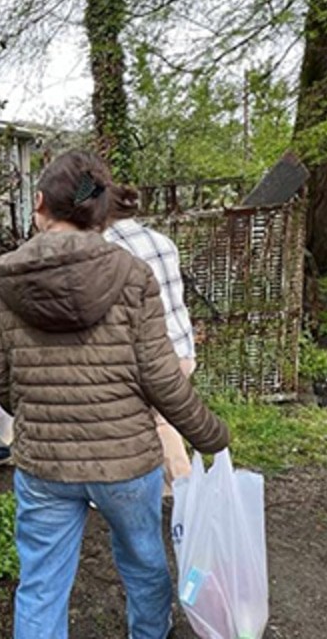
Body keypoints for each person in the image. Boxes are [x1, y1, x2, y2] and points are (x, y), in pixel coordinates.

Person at [0, 149, 230, 639]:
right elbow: (161, 378)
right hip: (126, 461)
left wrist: (30, 408)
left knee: (42, 583)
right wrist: (211, 434)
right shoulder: (133, 274)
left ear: (41, 203)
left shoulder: (4, 277)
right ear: (98, 210)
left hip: (45, 464)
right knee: (143, 563)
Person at [104, 185, 197, 492]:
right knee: (159, 420)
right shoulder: (161, 241)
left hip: (150, 357)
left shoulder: (107, 247)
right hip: (181, 349)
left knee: (157, 425)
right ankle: (163, 490)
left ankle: (185, 494)